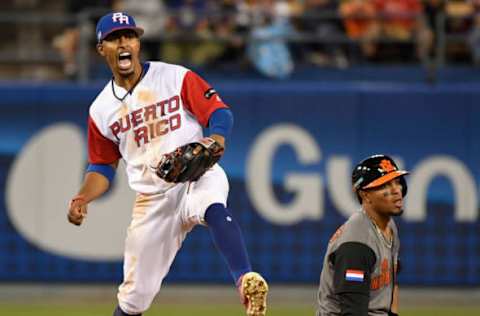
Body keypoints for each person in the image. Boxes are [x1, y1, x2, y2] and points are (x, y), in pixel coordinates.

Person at [67, 12, 268, 316]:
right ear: (101, 49)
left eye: (129, 36)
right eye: (114, 38)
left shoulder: (174, 76)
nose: (124, 42)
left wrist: (216, 139)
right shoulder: (100, 110)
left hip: (197, 174)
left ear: (137, 43)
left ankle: (245, 279)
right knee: (134, 299)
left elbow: (219, 113)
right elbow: (102, 167)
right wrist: (83, 197)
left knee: (212, 206)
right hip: (152, 200)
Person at [316, 154, 408, 316]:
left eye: (397, 182)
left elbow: (392, 281)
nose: (396, 190)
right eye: (385, 185)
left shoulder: (388, 225)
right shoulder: (357, 244)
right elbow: (352, 311)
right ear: (365, 195)